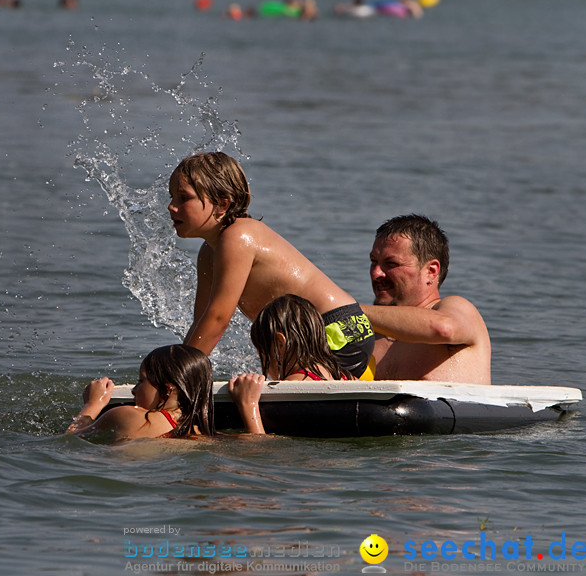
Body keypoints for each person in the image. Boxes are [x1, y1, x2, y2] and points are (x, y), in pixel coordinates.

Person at [168, 151, 374, 379]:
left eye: (183, 198)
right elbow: (202, 322)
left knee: (293, 385)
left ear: (222, 204)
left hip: (337, 330)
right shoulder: (209, 252)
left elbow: (218, 319)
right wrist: (174, 368)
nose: (171, 206)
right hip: (315, 334)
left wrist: (178, 379)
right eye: (171, 197)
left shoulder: (237, 236)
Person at [361, 214, 491, 384]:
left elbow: (443, 328)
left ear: (431, 270)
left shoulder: (455, 309)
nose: (376, 273)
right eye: (373, 261)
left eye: (391, 264)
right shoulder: (367, 339)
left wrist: (350, 311)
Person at [228, 295, 353, 434]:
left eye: (261, 351)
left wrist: (248, 404)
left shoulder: (291, 387)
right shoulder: (345, 376)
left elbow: (260, 451)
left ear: (280, 343)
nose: (261, 358)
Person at [65, 345, 215, 441]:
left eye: (141, 381)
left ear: (168, 389)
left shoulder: (128, 415)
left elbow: (71, 440)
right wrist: (240, 404)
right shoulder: (200, 434)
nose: (134, 390)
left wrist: (93, 404)